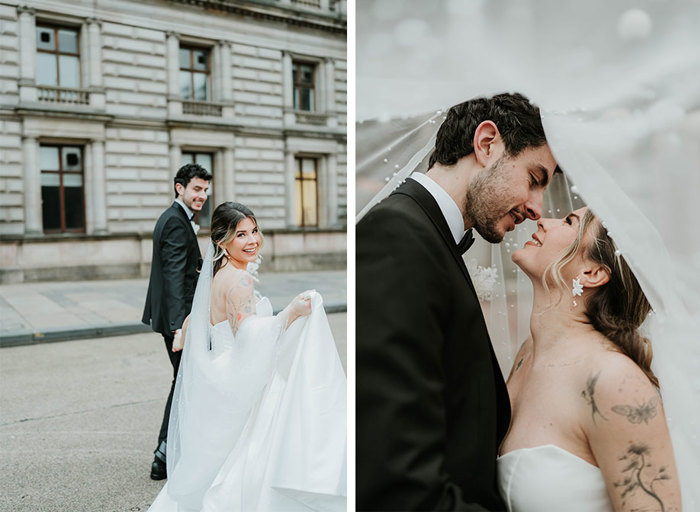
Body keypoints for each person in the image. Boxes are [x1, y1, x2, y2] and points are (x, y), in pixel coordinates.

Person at [356, 93, 558, 511]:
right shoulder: (397, 237)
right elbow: (397, 482)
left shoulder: (429, 237)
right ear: (487, 144)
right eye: (535, 179)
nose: (538, 209)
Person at [148, 202, 346, 512]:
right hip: (240, 370)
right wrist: (291, 312)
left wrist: (184, 330)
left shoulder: (219, 273)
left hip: (221, 366)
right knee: (257, 445)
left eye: (254, 231)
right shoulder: (239, 280)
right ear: (222, 241)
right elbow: (248, 336)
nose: (252, 240)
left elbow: (202, 317)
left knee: (228, 451)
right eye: (241, 234)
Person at [497, 207, 681, 512]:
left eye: (569, 222)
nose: (543, 220)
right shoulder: (529, 354)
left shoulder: (614, 382)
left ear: (592, 273)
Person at [141, 162, 212, 480]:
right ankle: (163, 455)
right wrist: (179, 326)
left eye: (206, 190)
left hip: (177, 318)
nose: (202, 196)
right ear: (179, 188)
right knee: (184, 385)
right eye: (197, 189)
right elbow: (172, 276)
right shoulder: (174, 221)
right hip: (178, 322)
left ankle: (172, 452)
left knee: (186, 384)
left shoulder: (178, 219)